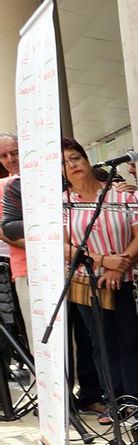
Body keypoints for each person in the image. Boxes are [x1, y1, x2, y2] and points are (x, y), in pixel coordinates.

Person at [62, 137, 138, 421]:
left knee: (130, 340)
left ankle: (133, 399)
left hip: (126, 277)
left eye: (75, 158)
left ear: (87, 160)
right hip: (89, 282)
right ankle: (112, 400)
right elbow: (62, 246)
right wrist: (101, 260)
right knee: (101, 344)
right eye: (64, 163)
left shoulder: (122, 196)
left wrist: (119, 265)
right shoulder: (63, 204)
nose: (72, 165)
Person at [1, 132, 32, 348]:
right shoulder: (3, 185)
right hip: (25, 269)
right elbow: (3, 232)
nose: (10, 159)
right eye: (3, 156)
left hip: (68, 265)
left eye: (15, 152)